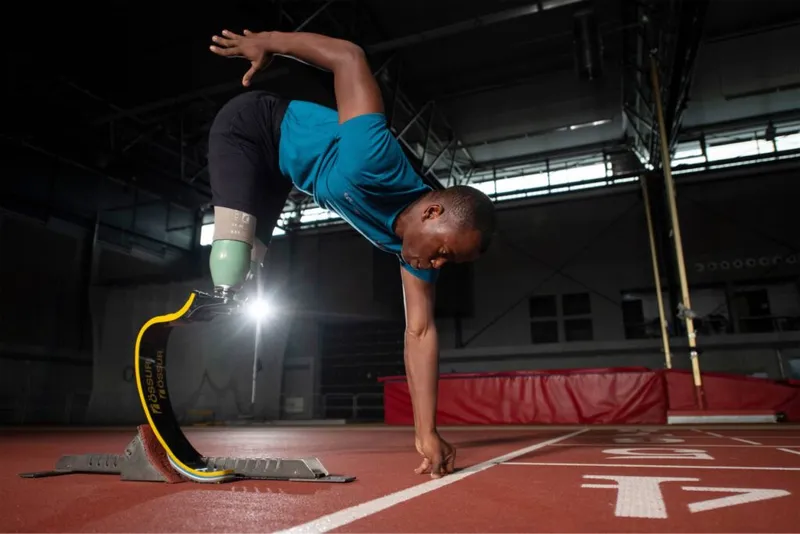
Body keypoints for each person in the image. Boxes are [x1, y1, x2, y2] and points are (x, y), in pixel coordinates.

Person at [208, 29, 496, 479]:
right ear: (433, 211)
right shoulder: (375, 156)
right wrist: (267, 41)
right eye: (444, 251)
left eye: (449, 263)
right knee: (230, 263)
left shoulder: (412, 253)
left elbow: (420, 334)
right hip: (250, 127)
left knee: (246, 277)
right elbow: (349, 56)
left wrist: (426, 432)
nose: (439, 264)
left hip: (281, 172)